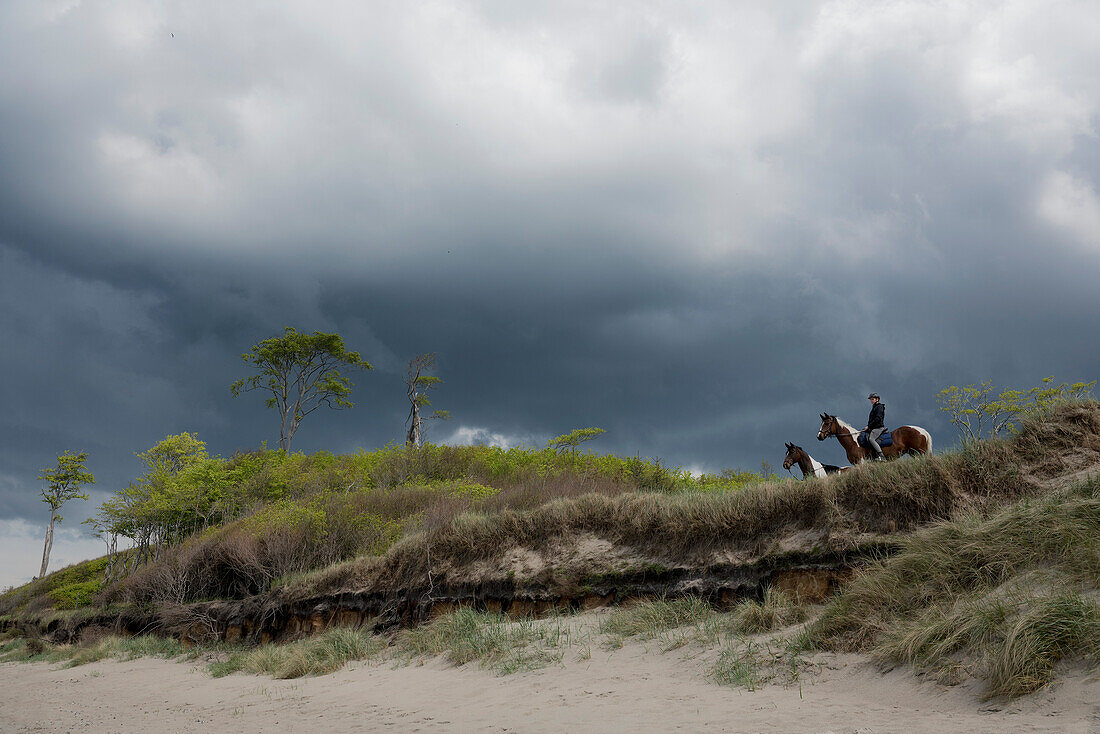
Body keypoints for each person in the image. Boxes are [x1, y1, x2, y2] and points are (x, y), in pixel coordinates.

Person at [864, 393, 886, 461]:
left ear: (877, 399)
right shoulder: (874, 407)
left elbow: (878, 418)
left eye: (872, 399)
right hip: (873, 427)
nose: (871, 401)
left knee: (871, 439)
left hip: (878, 427)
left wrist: (869, 426)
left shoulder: (879, 407)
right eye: (870, 399)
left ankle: (882, 456)